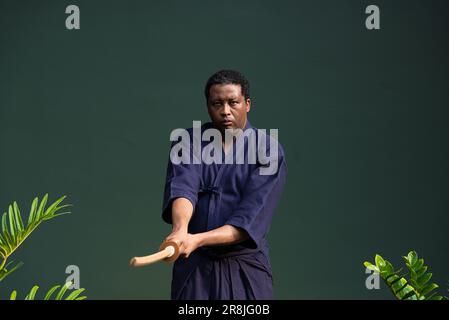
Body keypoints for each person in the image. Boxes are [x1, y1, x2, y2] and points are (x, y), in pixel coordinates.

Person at [161, 69, 287, 299]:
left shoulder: (267, 151)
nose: (225, 111)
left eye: (233, 102)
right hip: (194, 269)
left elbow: (247, 220)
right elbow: (184, 188)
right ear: (208, 106)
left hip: (243, 271)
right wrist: (180, 231)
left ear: (247, 104)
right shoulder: (188, 142)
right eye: (217, 103)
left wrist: (196, 239)